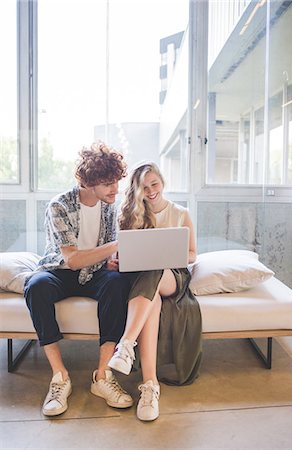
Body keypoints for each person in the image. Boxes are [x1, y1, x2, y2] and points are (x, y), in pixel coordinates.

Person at [24, 141, 135, 417]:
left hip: (95, 272)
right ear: (90, 181)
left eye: (116, 182)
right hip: (62, 272)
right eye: (109, 183)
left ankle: (103, 375)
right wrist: (118, 245)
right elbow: (72, 259)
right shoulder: (59, 205)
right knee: (36, 286)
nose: (115, 189)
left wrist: (116, 259)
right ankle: (60, 377)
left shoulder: (110, 207)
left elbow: (107, 251)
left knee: (118, 283)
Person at [107, 162, 202, 422]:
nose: (150, 191)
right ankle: (150, 386)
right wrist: (116, 261)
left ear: (162, 182)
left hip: (173, 276)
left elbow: (193, 254)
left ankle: (126, 345)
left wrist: (169, 254)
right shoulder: (131, 214)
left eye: (154, 184)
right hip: (145, 281)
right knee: (153, 294)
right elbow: (121, 254)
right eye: (144, 187)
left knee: (157, 269)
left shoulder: (181, 213)